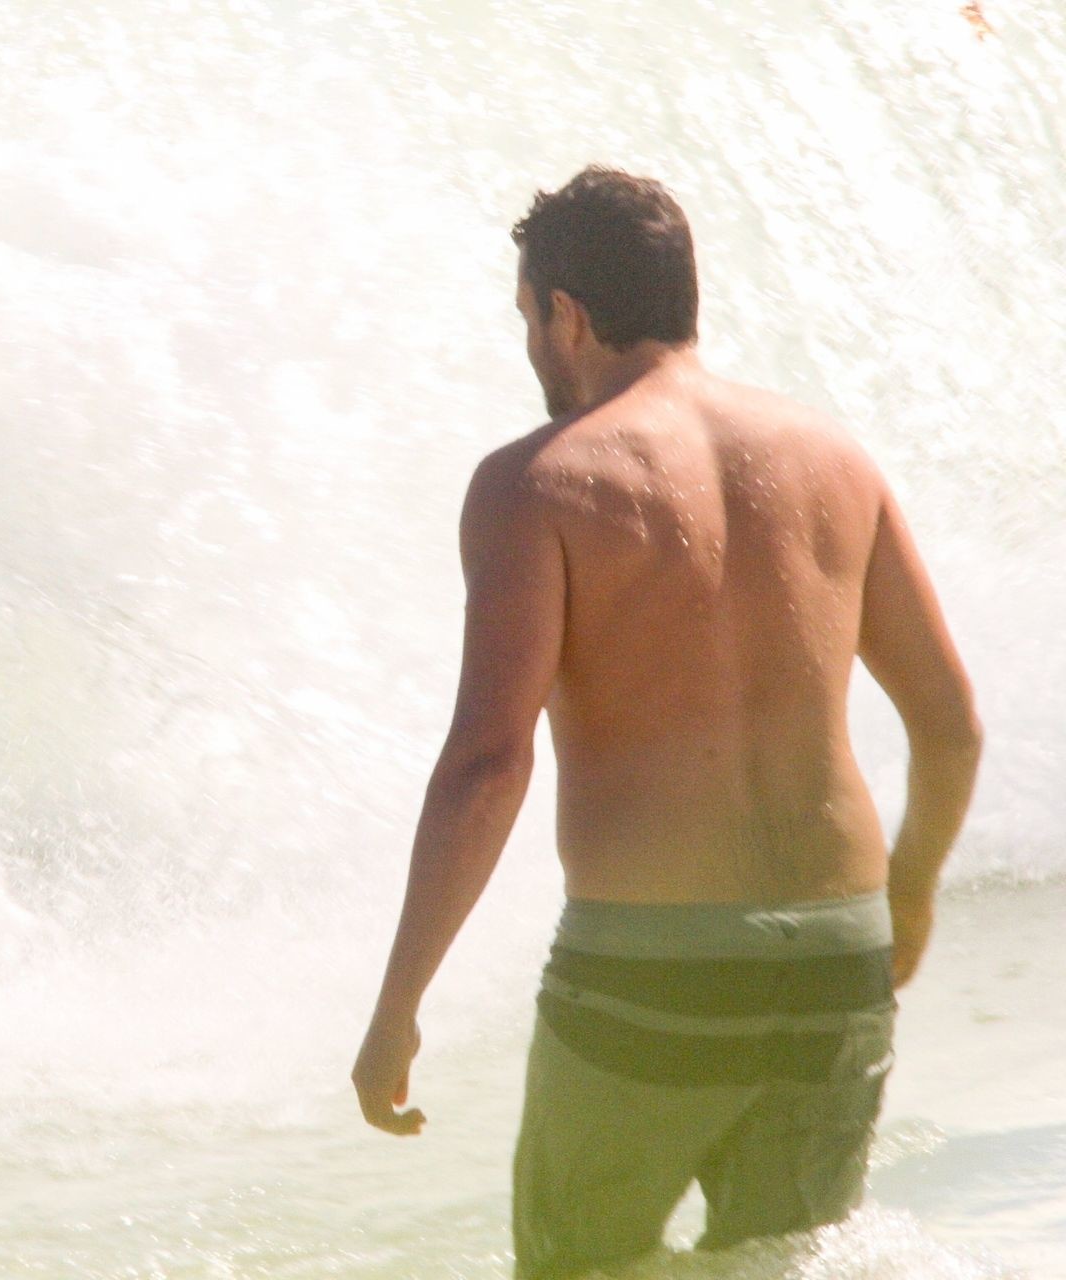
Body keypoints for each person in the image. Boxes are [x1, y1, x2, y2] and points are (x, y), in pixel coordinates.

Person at [351, 168, 982, 1276]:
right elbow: (951, 724)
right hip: (838, 962)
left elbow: (488, 765)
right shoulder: (836, 459)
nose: (531, 348)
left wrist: (398, 1006)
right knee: (787, 1263)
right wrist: (913, 888)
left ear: (567, 315)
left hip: (649, 983)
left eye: (528, 319)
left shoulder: (540, 483)